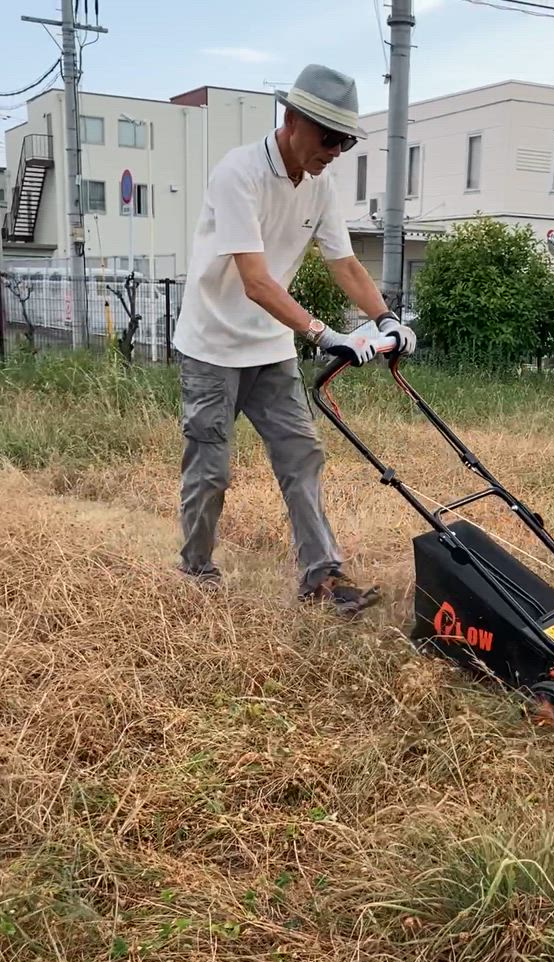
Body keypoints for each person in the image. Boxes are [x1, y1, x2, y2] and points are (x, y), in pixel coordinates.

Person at [172, 63, 416, 615]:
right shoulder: (239, 173)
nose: (335, 150)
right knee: (210, 470)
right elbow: (256, 281)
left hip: (269, 347)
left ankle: (322, 577)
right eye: (329, 137)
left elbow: (344, 261)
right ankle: (195, 571)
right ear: (292, 120)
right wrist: (325, 335)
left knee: (301, 455)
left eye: (345, 141)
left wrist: (384, 319)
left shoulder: (321, 184)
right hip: (211, 346)